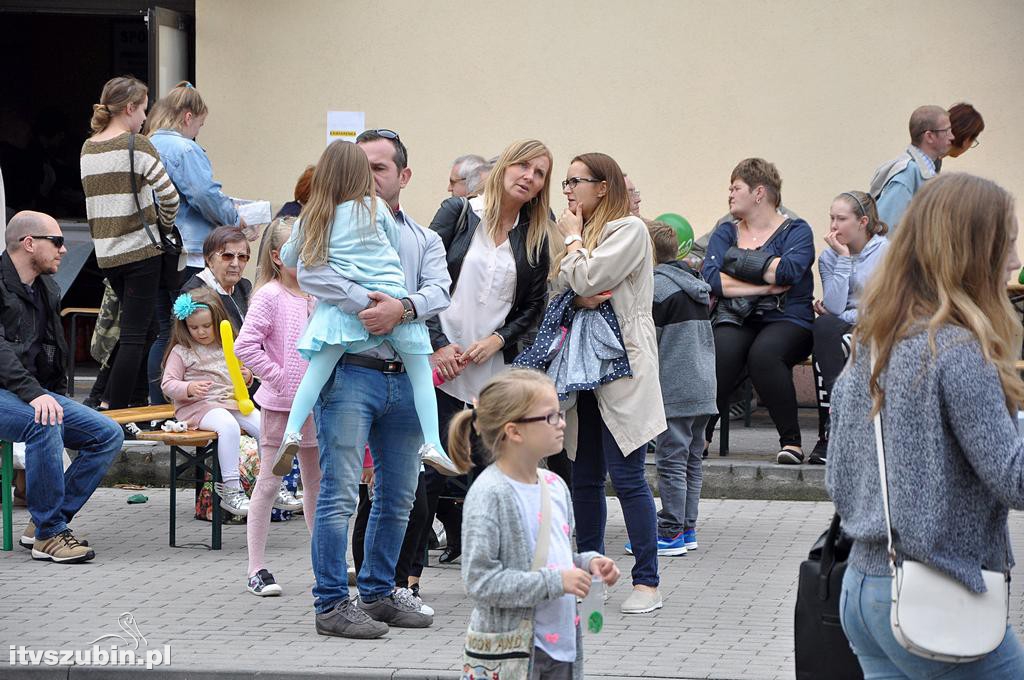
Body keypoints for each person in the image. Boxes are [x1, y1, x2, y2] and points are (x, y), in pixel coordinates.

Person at [827, 173, 1024, 678]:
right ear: (971, 251)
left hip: (864, 589)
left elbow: (837, 477)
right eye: (1007, 244)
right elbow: (1016, 479)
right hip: (935, 595)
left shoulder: (874, 341)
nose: (1016, 262)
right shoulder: (958, 353)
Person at [285, 127, 452, 639]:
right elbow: (307, 273)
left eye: (379, 168)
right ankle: (332, 603)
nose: (368, 177)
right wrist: (366, 302)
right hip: (352, 375)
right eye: (362, 166)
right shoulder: (329, 218)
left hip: (405, 376)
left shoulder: (424, 238)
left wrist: (401, 309)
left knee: (399, 495)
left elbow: (439, 291)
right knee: (340, 495)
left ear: (402, 175)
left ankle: (379, 593)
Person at [275, 140, 463, 478]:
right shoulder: (376, 210)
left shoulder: (315, 216)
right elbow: (391, 245)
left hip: (341, 315)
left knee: (315, 374)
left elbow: (291, 261)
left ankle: (290, 433)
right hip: (392, 299)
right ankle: (433, 442)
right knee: (421, 377)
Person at [422, 138, 554, 568]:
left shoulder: (534, 234)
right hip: (436, 365)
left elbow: (535, 306)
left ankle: (489, 568)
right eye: (524, 167)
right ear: (504, 167)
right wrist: (438, 344)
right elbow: (421, 280)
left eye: (539, 174)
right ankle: (406, 577)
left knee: (487, 472)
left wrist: (499, 338)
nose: (529, 178)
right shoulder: (459, 213)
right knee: (428, 472)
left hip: (491, 373)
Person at [553, 152, 666, 614]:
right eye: (565, 181)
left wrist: (574, 245)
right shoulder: (588, 234)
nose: (566, 190)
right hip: (584, 370)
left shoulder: (628, 230)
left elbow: (589, 276)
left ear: (603, 187)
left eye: (575, 181)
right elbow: (562, 284)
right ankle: (591, 573)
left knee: (628, 477)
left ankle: (647, 583)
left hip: (623, 366)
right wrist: (576, 272)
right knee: (584, 477)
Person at [458, 368, 621, 680]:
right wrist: (556, 582)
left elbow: (554, 559)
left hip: (562, 649)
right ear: (514, 431)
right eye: (550, 417)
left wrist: (587, 564)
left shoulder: (555, 486)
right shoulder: (490, 495)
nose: (561, 423)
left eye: (560, 413)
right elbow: (479, 582)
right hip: (511, 654)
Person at [0, 211, 123, 563]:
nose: (64, 250)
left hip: (30, 392)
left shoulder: (47, 289)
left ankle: (45, 523)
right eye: (56, 241)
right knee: (43, 420)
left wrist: (54, 394)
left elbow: (50, 351)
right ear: (29, 243)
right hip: (11, 392)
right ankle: (50, 533)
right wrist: (37, 395)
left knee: (107, 434)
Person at [701, 158, 815, 464]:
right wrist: (763, 285)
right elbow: (710, 277)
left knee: (764, 354)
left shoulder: (797, 231)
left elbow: (789, 271)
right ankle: (701, 436)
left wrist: (734, 264)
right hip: (738, 316)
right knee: (723, 349)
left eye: (736, 187)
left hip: (789, 318)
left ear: (759, 192)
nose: (730, 194)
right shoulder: (726, 231)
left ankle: (791, 442)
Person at [79, 75, 179, 410]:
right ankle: (118, 415)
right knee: (137, 333)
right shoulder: (137, 145)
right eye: (143, 111)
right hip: (140, 251)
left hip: (107, 255)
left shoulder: (89, 147)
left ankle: (108, 400)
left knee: (143, 328)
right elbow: (169, 197)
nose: (145, 119)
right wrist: (162, 227)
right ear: (129, 108)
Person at [234, 218, 321, 596]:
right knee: (268, 484)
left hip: (316, 407)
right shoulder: (269, 296)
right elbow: (245, 346)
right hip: (281, 408)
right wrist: (282, 378)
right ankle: (256, 568)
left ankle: (325, 563)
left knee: (316, 485)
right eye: (299, 251)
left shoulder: (317, 295)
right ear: (276, 256)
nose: (307, 258)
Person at [148, 81, 241, 404]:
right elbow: (203, 194)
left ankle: (158, 404)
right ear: (188, 117)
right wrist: (234, 218)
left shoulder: (148, 143)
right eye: (200, 124)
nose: (198, 131)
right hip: (187, 249)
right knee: (198, 328)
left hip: (157, 250)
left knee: (165, 331)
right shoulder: (184, 149)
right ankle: (193, 401)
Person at [647, 221, 716, 555]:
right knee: (691, 461)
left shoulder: (658, 288)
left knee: (670, 460)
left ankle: (671, 530)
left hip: (675, 385)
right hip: (703, 386)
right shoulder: (695, 284)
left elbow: (648, 342)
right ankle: (688, 528)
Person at [807, 191, 889, 466]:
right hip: (844, 329)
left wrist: (844, 313)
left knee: (827, 332)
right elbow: (833, 303)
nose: (833, 226)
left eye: (841, 219)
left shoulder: (886, 252)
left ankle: (831, 435)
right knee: (824, 329)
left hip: (879, 328)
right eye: (832, 218)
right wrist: (842, 257)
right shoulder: (830, 257)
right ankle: (833, 428)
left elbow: (883, 307)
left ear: (862, 222)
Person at [160, 288, 258, 516]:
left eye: (206, 326)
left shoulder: (228, 344)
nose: (201, 332)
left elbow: (242, 373)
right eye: (194, 327)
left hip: (230, 402)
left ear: (219, 321)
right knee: (228, 426)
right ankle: (232, 491)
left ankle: (272, 484)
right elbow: (167, 384)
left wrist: (247, 377)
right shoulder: (182, 350)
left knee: (264, 425)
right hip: (198, 407)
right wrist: (188, 388)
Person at [869, 105, 953, 230]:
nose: (952, 136)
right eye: (947, 131)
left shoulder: (926, 171)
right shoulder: (907, 173)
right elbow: (885, 230)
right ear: (929, 136)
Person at [181, 225, 252, 330]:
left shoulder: (244, 286)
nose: (236, 264)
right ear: (209, 260)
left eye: (242, 257)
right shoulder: (192, 292)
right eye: (227, 256)